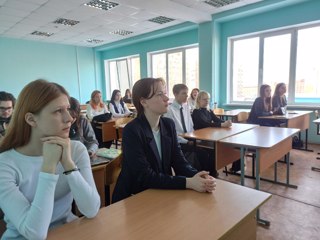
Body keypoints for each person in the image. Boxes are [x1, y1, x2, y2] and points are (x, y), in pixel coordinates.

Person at [0, 79, 100, 239]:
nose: (69, 118)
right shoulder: (5, 163)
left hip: (68, 232)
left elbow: (91, 209)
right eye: (58, 111)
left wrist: (68, 164)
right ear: (31, 119)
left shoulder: (76, 150)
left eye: (67, 109)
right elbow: (35, 234)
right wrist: (48, 167)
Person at [112, 78, 216, 203]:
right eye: (160, 94)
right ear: (144, 102)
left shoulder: (168, 125)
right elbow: (145, 176)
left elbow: (179, 161)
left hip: (162, 192)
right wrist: (188, 182)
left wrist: (198, 175)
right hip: (135, 197)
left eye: (165, 94)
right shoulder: (132, 130)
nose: (167, 99)